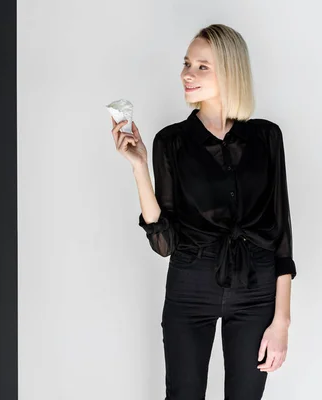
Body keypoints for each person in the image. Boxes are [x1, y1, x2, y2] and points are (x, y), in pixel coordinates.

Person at [110, 24, 296, 399]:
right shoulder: (171, 141)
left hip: (256, 288)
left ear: (230, 70)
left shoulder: (267, 137)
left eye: (201, 66)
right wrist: (139, 167)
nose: (186, 74)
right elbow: (164, 243)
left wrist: (282, 322)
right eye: (186, 64)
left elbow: (282, 236)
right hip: (190, 285)